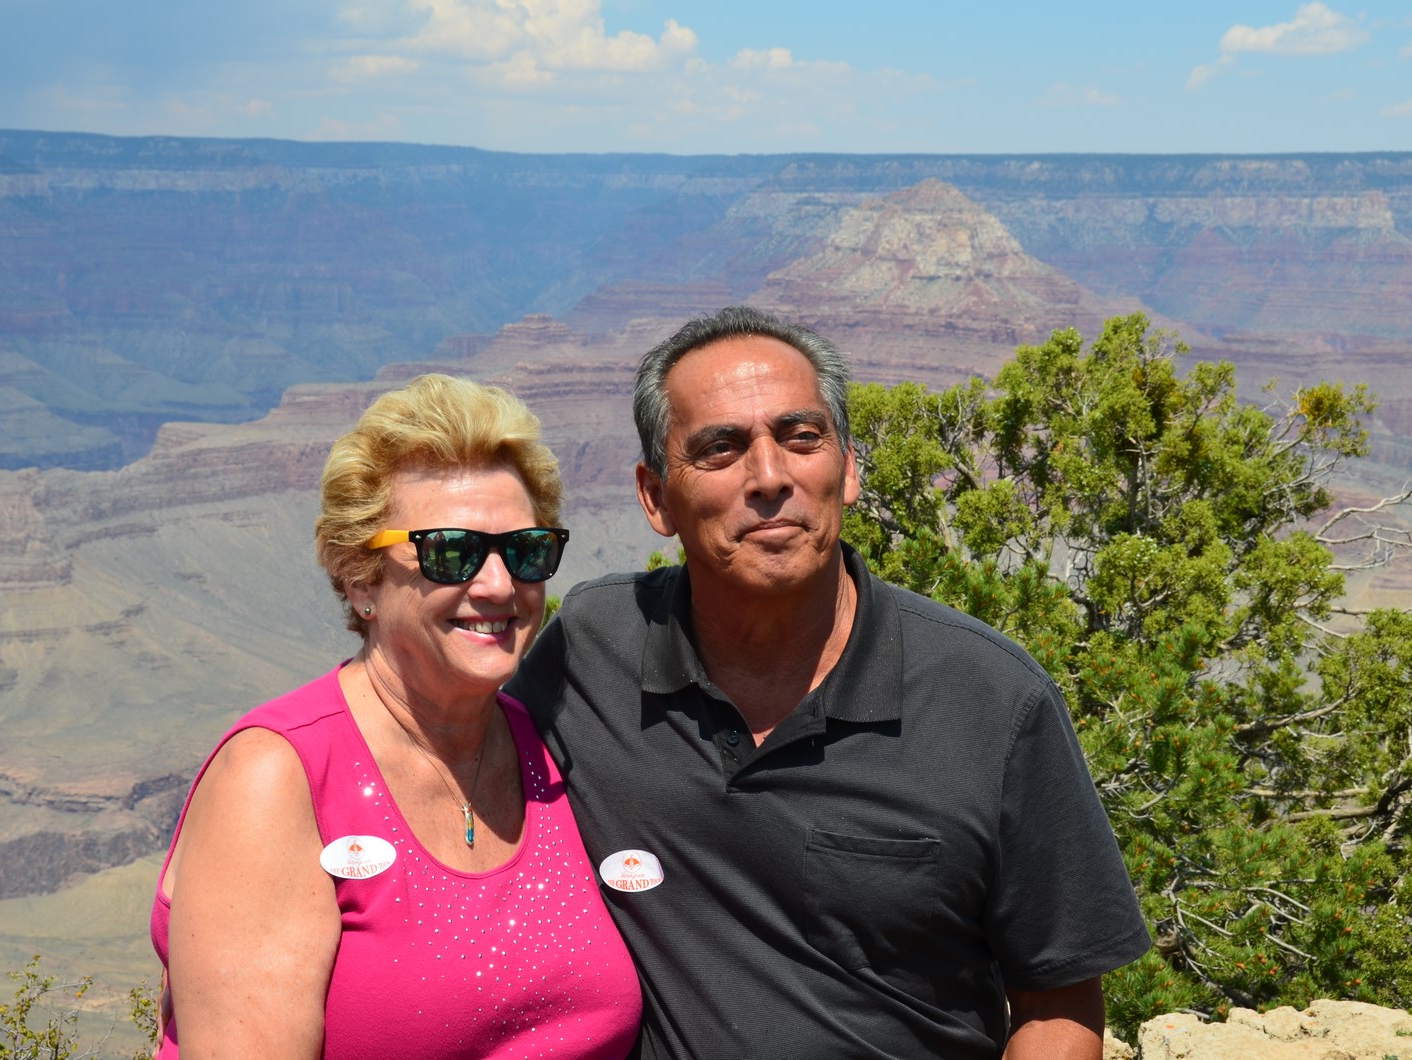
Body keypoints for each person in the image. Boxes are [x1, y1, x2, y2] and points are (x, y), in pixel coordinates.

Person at [507, 306, 1151, 1059]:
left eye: (800, 437)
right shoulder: (591, 652)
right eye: (720, 448)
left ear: (847, 468)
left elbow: (1060, 1001)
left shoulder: (988, 698)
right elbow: (443, 772)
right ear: (655, 497)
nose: (770, 477)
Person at [149, 373, 640, 1059]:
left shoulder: (559, 746)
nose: (497, 585)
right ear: (360, 578)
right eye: (450, 553)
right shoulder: (276, 778)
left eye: (525, 550)